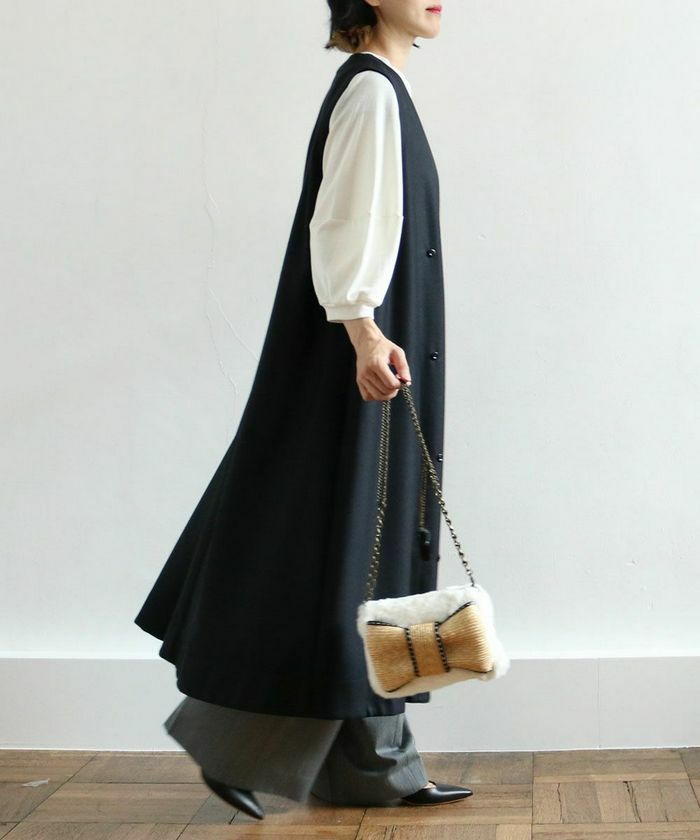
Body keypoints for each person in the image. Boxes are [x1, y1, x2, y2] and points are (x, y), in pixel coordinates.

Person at [133, 0, 472, 820]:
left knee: (369, 547)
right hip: (363, 353)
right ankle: (233, 743)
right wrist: (365, 333)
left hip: (377, 347)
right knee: (334, 545)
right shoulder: (373, 93)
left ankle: (373, 767)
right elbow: (344, 221)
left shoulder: (383, 88)